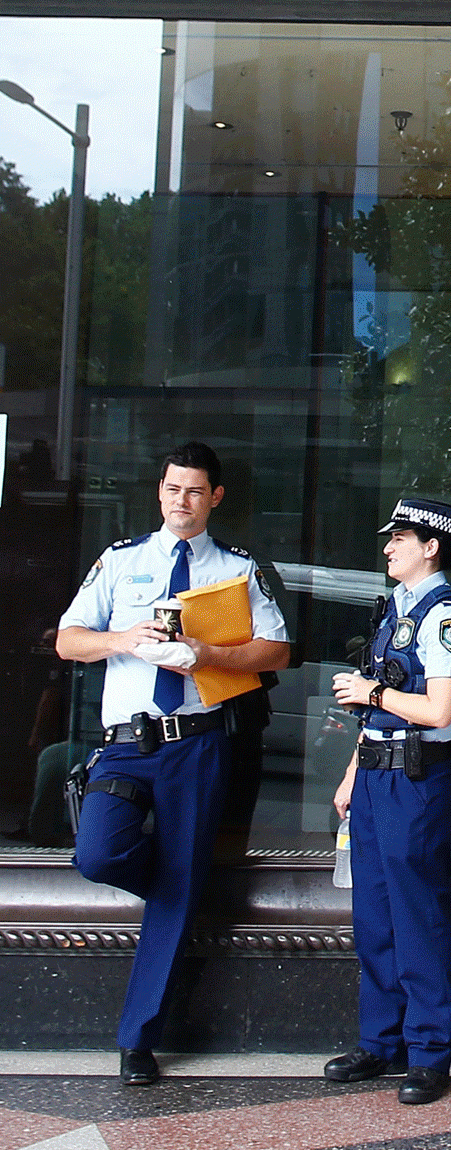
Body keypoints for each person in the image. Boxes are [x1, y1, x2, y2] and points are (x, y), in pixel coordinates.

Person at [56, 441, 290, 1085]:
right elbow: (69, 639)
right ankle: (175, 888)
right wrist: (122, 639)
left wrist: (207, 654)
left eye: (193, 491)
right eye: (170, 489)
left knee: (180, 884)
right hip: (127, 744)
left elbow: (276, 652)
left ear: (214, 498)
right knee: (99, 854)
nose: (180, 502)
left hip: (198, 743)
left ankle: (138, 1039)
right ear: (158, 491)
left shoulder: (238, 570)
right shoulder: (121, 561)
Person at [323, 497, 451, 1106]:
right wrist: (350, 775)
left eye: (400, 538)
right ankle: (380, 1042)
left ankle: (429, 1051)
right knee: (375, 916)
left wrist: (373, 691)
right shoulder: (395, 609)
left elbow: (439, 709)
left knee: (418, 915)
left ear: (430, 546)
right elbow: (378, 712)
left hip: (417, 780)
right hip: (377, 776)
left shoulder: (447, 616)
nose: (388, 547)